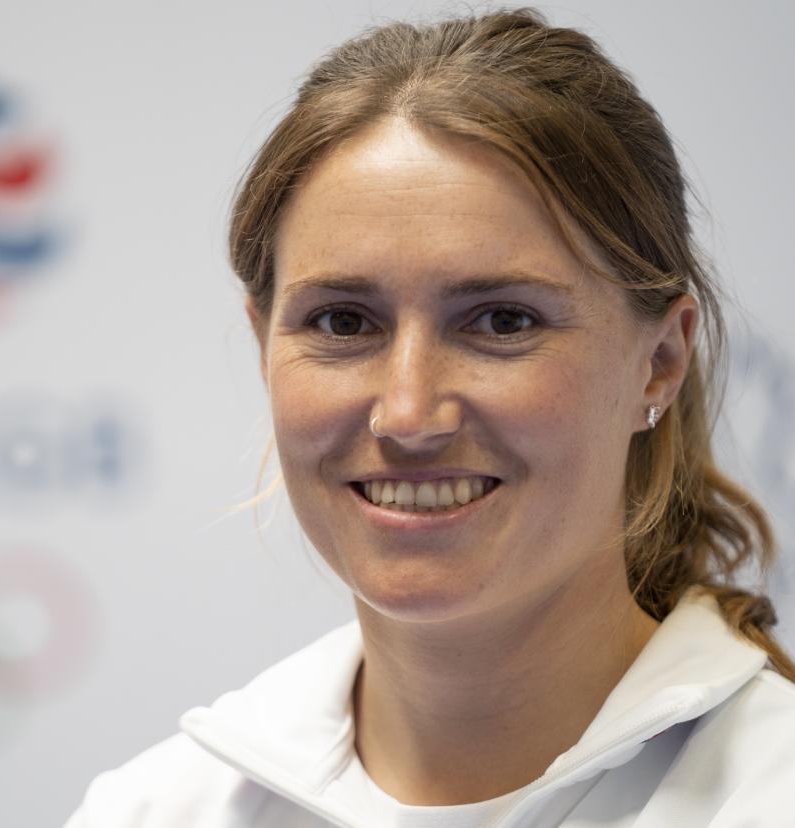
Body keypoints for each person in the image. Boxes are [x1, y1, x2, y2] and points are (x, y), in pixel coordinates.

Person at [64, 8, 795, 826]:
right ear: (263, 347)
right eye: (344, 323)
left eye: (502, 321)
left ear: (659, 362)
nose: (409, 415)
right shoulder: (156, 810)